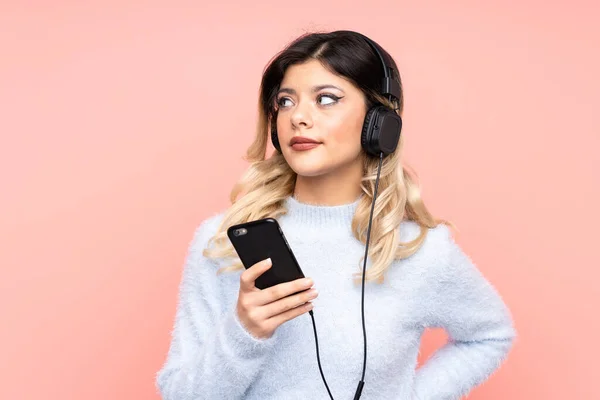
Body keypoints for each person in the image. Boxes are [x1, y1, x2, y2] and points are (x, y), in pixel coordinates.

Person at [155, 30, 517, 400]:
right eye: (285, 101)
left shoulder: (419, 250)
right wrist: (245, 331)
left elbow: (489, 335)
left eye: (326, 99)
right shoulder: (222, 242)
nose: (298, 117)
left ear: (379, 123)